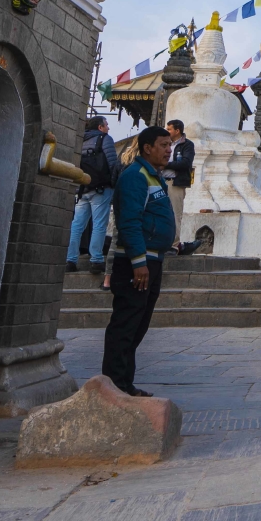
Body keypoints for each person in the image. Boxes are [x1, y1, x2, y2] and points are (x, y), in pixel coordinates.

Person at [103, 125, 176, 396]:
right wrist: (138, 261)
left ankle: (124, 382)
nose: (169, 150)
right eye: (164, 145)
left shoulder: (154, 177)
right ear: (147, 147)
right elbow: (129, 221)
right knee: (126, 322)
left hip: (153, 259)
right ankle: (114, 385)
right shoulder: (135, 176)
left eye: (170, 145)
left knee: (138, 324)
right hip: (137, 261)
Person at [67, 115, 118, 275]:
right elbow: (112, 163)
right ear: (100, 127)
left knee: (76, 225)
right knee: (99, 224)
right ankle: (96, 260)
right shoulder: (104, 139)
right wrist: (116, 183)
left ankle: (70, 259)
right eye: (106, 125)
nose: (108, 127)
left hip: (83, 188)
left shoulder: (80, 140)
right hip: (101, 188)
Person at [164, 120, 195, 249]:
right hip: (159, 181)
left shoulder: (186, 145)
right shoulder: (164, 143)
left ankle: (173, 245)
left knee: (175, 215)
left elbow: (185, 163)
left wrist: (166, 164)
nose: (167, 131)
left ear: (177, 131)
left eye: (169, 129)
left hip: (175, 183)